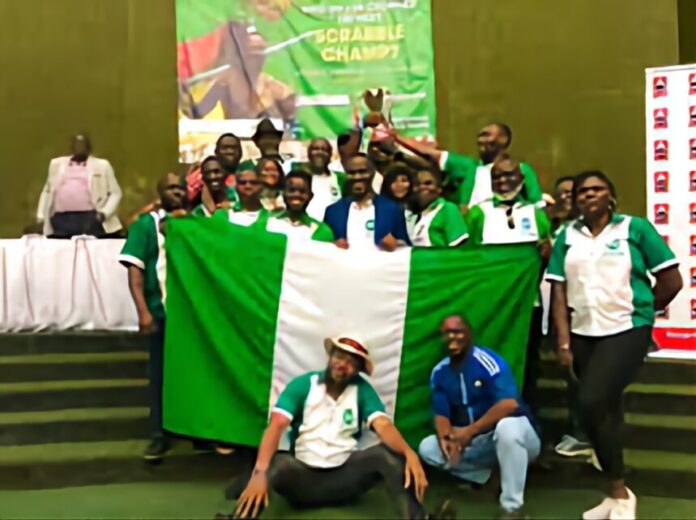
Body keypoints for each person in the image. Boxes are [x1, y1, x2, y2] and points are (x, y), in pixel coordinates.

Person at [546, 171, 683, 519]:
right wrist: (563, 341)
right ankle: (613, 494)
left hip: (626, 329)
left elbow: (671, 279)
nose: (588, 195)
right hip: (583, 333)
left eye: (597, 189)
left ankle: (621, 492)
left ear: (610, 196)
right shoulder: (567, 236)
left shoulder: (634, 229)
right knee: (602, 410)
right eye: (582, 191)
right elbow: (559, 291)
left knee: (591, 400)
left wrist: (643, 312)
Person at [230, 336, 428, 519]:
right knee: (275, 463)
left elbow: (383, 425)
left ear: (358, 370)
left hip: (345, 481)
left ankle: (417, 518)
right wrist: (260, 473)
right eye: (340, 356)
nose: (343, 365)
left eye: (352, 363)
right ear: (330, 356)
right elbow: (276, 425)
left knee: (386, 456)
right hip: (301, 480)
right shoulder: (303, 385)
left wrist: (409, 453)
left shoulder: (362, 390)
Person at [419, 316, 540, 519]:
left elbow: (509, 404)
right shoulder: (440, 371)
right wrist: (446, 438)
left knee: (507, 429)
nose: (452, 337)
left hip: (519, 437)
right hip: (478, 442)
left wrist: (469, 431)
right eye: (447, 333)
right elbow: (441, 414)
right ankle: (489, 477)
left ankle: (512, 508)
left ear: (469, 334)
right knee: (428, 448)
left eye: (457, 332)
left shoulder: (487, 361)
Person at [118, 173, 187, 461]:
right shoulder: (145, 225)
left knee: (189, 374)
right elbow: (135, 271)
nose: (177, 192)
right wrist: (143, 311)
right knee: (159, 375)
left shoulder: (193, 223)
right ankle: (158, 434)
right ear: (160, 193)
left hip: (190, 317)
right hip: (160, 311)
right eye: (171, 188)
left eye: (181, 188)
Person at [393, 123, 543, 209]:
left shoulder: (522, 169)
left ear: (503, 139)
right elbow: (429, 154)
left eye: (486, 135)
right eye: (480, 136)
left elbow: (537, 205)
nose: (480, 139)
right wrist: (395, 137)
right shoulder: (469, 166)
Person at [37, 134, 122, 238]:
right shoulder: (56, 164)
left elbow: (115, 193)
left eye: (83, 145)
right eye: (77, 145)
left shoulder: (102, 165)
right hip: (61, 217)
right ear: (72, 147)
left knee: (90, 245)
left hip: (90, 217)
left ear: (89, 148)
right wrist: (41, 215)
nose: (80, 148)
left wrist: (104, 213)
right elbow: (47, 191)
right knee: (62, 245)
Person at [324, 153, 410, 251]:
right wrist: (333, 245)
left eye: (362, 172)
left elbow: (406, 248)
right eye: (351, 173)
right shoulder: (333, 211)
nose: (357, 177)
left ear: (373, 173)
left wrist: (395, 244)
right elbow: (322, 247)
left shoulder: (392, 209)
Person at [266, 170, 335, 243]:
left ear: (310, 196)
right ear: (283, 193)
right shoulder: (268, 223)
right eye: (291, 190)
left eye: (302, 191)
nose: (296, 194)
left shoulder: (321, 230)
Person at [410, 168, 469, 248]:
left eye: (428, 183)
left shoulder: (447, 209)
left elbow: (459, 247)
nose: (422, 187)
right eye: (417, 184)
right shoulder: (411, 216)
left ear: (439, 189)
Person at [186, 133, 242, 210]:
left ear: (241, 152)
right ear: (216, 151)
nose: (230, 151)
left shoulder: (248, 173)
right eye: (224, 148)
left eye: (234, 148)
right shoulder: (198, 175)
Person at [304, 138, 346, 220]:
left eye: (324, 150)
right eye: (316, 149)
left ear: (330, 154)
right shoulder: (300, 177)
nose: (320, 152)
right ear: (309, 153)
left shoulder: (340, 178)